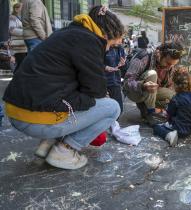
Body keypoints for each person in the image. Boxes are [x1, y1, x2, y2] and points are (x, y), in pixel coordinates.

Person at [2, 6, 125, 170]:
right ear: (105, 34)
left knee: (80, 98)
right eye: (112, 44)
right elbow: (96, 91)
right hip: (33, 119)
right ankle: (65, 151)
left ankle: (49, 143)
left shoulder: (68, 33)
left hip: (16, 110)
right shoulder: (89, 41)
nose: (109, 48)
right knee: (112, 107)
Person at [123, 42, 185, 126]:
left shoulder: (170, 66)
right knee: (152, 74)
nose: (169, 67)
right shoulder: (144, 58)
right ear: (160, 54)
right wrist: (142, 86)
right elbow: (127, 82)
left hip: (153, 92)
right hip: (135, 92)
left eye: (173, 65)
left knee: (174, 95)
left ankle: (148, 111)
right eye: (168, 63)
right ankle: (150, 113)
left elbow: (169, 86)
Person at [153, 67, 191, 146]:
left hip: (177, 129)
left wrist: (166, 112)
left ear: (175, 85)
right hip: (189, 128)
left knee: (156, 127)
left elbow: (170, 114)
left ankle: (169, 135)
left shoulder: (176, 99)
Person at [104, 44, 126, 113]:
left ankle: (113, 123)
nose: (120, 42)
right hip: (103, 82)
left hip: (116, 81)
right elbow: (95, 63)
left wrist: (123, 63)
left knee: (119, 109)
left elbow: (124, 67)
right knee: (105, 110)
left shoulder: (120, 48)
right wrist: (105, 67)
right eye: (118, 39)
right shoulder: (104, 47)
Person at [9, 3, 28, 70]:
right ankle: (16, 79)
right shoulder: (12, 17)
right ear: (16, 9)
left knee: (22, 64)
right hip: (17, 47)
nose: (24, 9)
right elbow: (12, 30)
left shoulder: (21, 18)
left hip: (23, 46)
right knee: (20, 65)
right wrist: (26, 32)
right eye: (22, 8)